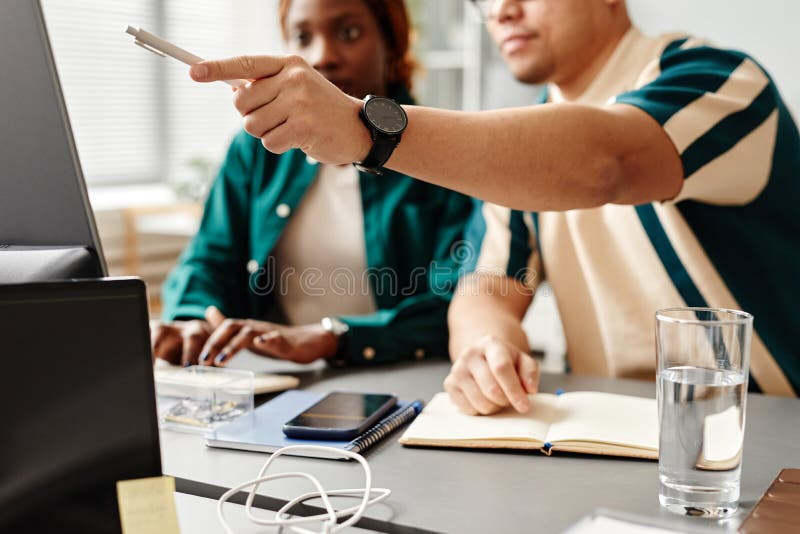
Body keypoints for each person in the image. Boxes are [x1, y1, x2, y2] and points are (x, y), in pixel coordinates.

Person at [188, 0, 800, 407]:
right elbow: (482, 293)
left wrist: (364, 128)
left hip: (764, 447)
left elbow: (606, 162)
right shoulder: (527, 153)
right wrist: (487, 345)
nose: (501, 10)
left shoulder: (720, 81)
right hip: (615, 442)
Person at [153, 0, 473, 368]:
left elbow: (460, 304)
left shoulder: (444, 152)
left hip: (407, 381)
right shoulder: (256, 149)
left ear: (392, 42)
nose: (322, 57)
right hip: (280, 382)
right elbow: (209, 257)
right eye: (303, 37)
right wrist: (190, 317)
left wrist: (333, 337)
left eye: (348, 33)